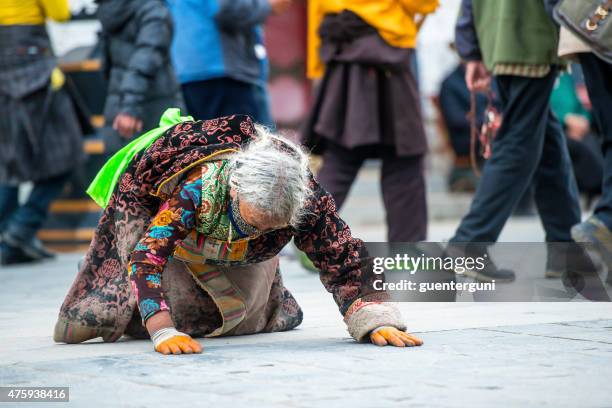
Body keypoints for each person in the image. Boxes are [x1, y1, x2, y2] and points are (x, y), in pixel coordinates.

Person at [53, 110, 423, 354]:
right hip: (148, 201)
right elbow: (147, 257)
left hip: (239, 225)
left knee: (250, 320)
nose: (254, 230)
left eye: (268, 228)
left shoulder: (303, 195)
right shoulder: (195, 191)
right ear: (234, 189)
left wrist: (374, 317)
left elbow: (341, 256)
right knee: (160, 313)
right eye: (252, 219)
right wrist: (162, 329)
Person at [449, 0, 582, 281]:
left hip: (497, 41)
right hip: (532, 39)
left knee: (547, 143)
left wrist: (471, 51)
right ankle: (469, 242)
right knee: (518, 143)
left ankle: (565, 250)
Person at [303, 0, 439, 242]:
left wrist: (317, 67)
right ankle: (406, 249)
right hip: (387, 47)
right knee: (404, 157)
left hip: (341, 50)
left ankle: (305, 234)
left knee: (341, 154)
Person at [0, 0, 83, 265]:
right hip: (34, 67)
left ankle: (11, 236)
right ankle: (20, 230)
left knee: (8, 160)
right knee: (67, 154)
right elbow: (61, 14)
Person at [167, 0, 289, 127]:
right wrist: (268, 5)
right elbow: (228, 8)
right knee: (252, 141)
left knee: (205, 142)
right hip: (224, 72)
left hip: (187, 71)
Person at [96, 0, 184, 151]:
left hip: (118, 110)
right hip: (149, 116)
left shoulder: (111, 10)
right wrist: (129, 108)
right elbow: (145, 61)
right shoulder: (152, 10)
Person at [550, 69, 603, 201]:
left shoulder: (567, 77)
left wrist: (583, 120)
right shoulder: (547, 80)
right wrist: (566, 121)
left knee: (596, 145)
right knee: (581, 151)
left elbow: (580, 105)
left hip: (579, 129)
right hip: (559, 129)